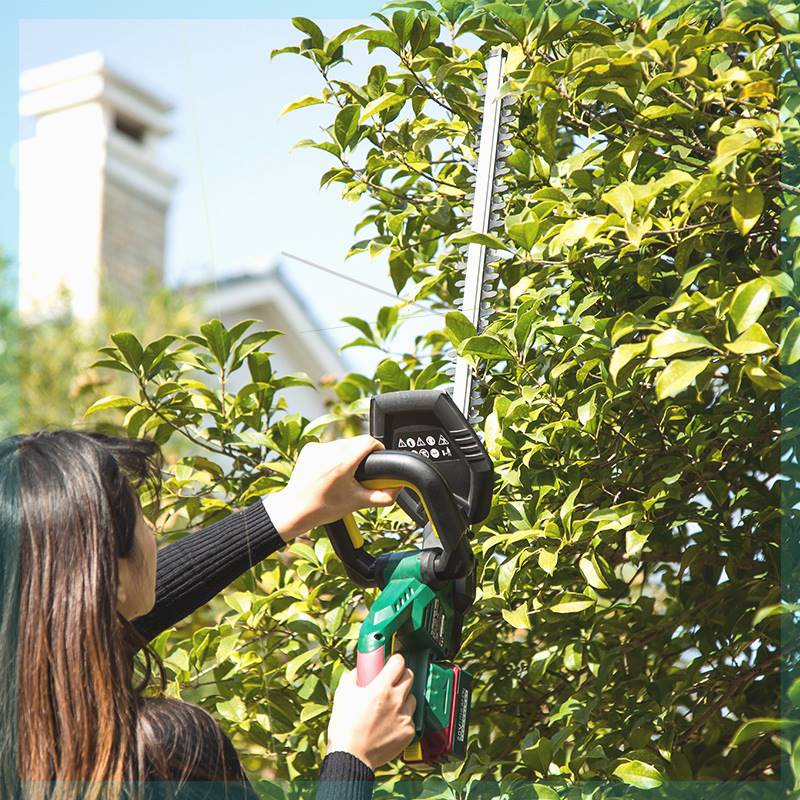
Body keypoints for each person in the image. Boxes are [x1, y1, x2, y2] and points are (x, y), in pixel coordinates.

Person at [0, 430, 417, 800]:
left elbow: (79, 614)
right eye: (141, 516)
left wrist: (289, 509)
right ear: (110, 579)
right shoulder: (164, 756)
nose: (152, 531)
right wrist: (353, 757)